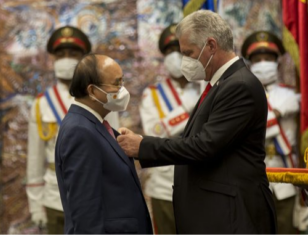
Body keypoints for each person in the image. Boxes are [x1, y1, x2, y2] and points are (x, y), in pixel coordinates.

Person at [117, 10, 277, 235]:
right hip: (217, 213)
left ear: (211, 45)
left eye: (189, 53)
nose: (185, 61)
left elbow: (204, 146)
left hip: (232, 217)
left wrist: (142, 145)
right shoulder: (221, 84)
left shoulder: (238, 85)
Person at [25, 26, 119, 234]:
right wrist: (35, 203)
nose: (66, 59)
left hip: (98, 195)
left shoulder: (102, 97)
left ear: (84, 58)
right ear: (53, 58)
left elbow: (115, 149)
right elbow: (35, 159)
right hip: (55, 197)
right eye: (60, 54)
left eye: (73, 54)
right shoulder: (42, 104)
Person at [54, 53, 153, 235]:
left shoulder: (95, 125)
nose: (122, 90)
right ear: (92, 91)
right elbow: (86, 211)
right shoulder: (80, 131)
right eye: (116, 83)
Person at [139, 23, 204, 235]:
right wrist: (191, 110)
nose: (175, 56)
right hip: (164, 185)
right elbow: (154, 133)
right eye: (169, 51)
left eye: (179, 50)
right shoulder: (153, 94)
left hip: (203, 181)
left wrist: (172, 120)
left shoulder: (207, 87)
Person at [242, 30, 300, 235]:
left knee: (286, 230)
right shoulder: (239, 95)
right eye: (258, 59)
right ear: (250, 64)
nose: (264, 63)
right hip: (253, 179)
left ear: (277, 62)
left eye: (268, 58)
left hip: (287, 176)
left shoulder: (292, 94)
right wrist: (275, 114)